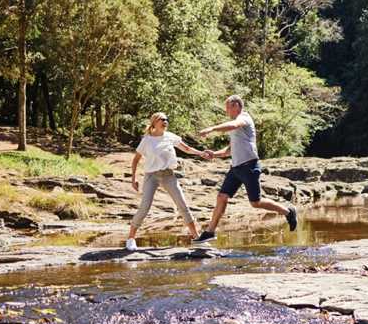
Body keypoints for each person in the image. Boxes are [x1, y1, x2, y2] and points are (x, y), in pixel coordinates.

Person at [192, 95, 297, 243]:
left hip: (249, 166)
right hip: (235, 169)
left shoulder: (244, 118)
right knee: (222, 197)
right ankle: (210, 232)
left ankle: (288, 211)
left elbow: (234, 125)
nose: (226, 111)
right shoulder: (235, 126)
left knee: (256, 202)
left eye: (228, 107)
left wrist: (212, 129)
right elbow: (230, 149)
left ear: (236, 105)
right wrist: (214, 154)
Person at [126, 112, 209, 251]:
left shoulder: (170, 137)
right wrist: (133, 178)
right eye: (162, 119)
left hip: (168, 175)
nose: (165, 121)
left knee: (183, 205)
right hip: (151, 175)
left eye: (166, 119)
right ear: (154, 122)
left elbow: (186, 149)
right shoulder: (147, 140)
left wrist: (201, 153)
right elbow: (136, 159)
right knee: (144, 207)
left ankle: (197, 238)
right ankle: (131, 239)